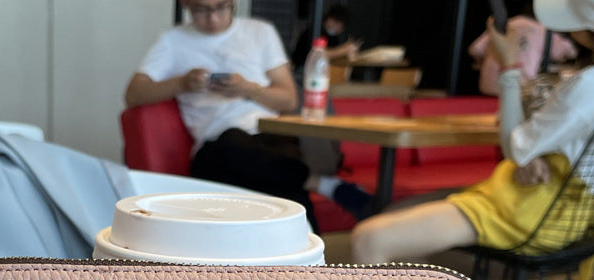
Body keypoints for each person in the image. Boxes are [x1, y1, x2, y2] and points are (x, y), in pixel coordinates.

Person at [351, 0, 594, 266]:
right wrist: (534, 152)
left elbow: (516, 148)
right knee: (400, 216)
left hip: (532, 210)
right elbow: (536, 145)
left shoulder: (586, 85)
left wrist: (509, 65)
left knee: (368, 239)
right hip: (555, 208)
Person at [124, 0, 372, 233]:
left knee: (278, 177)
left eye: (222, 7)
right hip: (216, 146)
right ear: (185, 4)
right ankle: (321, 185)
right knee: (236, 147)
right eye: (201, 10)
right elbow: (133, 94)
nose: (213, 18)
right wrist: (182, 83)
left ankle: (310, 247)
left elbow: (289, 100)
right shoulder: (172, 41)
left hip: (268, 136)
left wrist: (248, 89)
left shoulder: (260, 32)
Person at [468, 1, 577, 95]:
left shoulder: (508, 23)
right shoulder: (543, 30)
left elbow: (475, 49)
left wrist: (483, 61)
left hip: (487, 88)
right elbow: (570, 52)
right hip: (518, 90)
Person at [290, 4, 361, 73]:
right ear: (330, 19)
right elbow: (318, 54)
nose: (340, 30)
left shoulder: (334, 38)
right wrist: (343, 50)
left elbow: (333, 56)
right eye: (339, 25)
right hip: (302, 70)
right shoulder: (314, 31)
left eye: (342, 28)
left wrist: (348, 53)